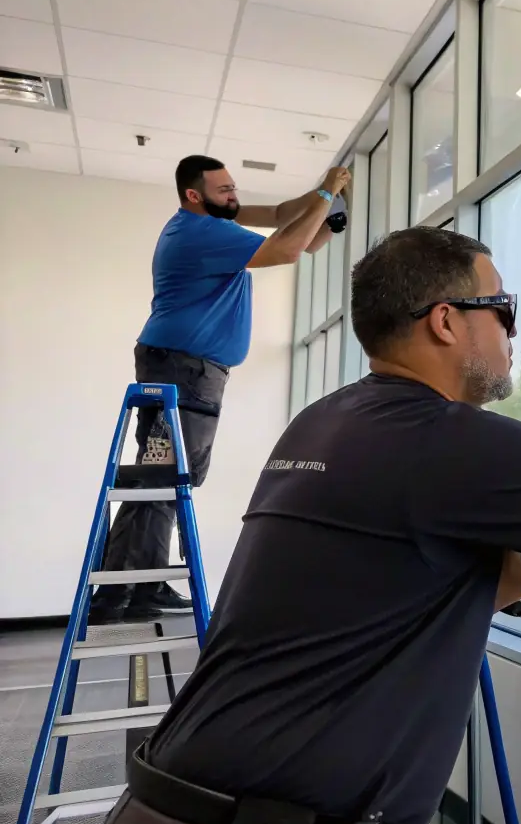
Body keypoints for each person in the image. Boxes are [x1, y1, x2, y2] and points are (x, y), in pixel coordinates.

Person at [94, 226, 521, 824]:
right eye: (503, 309)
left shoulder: (321, 422)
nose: (513, 332)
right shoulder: (455, 441)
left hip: (169, 804)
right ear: (444, 320)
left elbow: (393, 596)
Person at [90, 155, 352, 625]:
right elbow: (289, 250)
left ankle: (140, 585)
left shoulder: (213, 221)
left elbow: (284, 222)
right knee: (164, 477)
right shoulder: (200, 232)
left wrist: (329, 207)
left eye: (234, 187)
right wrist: (326, 193)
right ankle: (118, 591)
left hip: (186, 367)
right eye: (225, 190)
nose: (234, 196)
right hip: (183, 368)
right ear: (195, 195)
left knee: (167, 477)